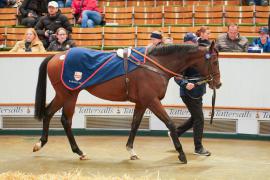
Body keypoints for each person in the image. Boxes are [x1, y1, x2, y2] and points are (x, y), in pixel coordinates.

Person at [169, 32, 211, 156]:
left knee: (195, 117)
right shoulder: (183, 58)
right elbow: (177, 76)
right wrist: (185, 83)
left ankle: (175, 133)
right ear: (187, 43)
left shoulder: (200, 53)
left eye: (196, 41)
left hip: (199, 91)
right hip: (188, 93)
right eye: (193, 42)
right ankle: (198, 148)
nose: (196, 44)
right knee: (199, 118)